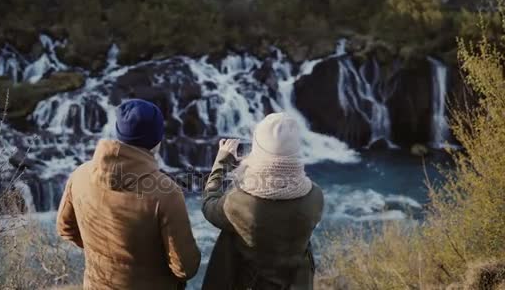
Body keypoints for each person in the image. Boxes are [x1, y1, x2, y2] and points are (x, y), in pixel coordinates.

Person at [57, 99, 201, 289]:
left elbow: (65, 228)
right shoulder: (167, 193)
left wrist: (105, 253)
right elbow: (185, 268)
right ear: (157, 139)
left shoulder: (80, 174)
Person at [202, 112, 324, 290]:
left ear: (258, 151)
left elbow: (209, 205)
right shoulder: (315, 196)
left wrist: (221, 162)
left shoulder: (240, 203)